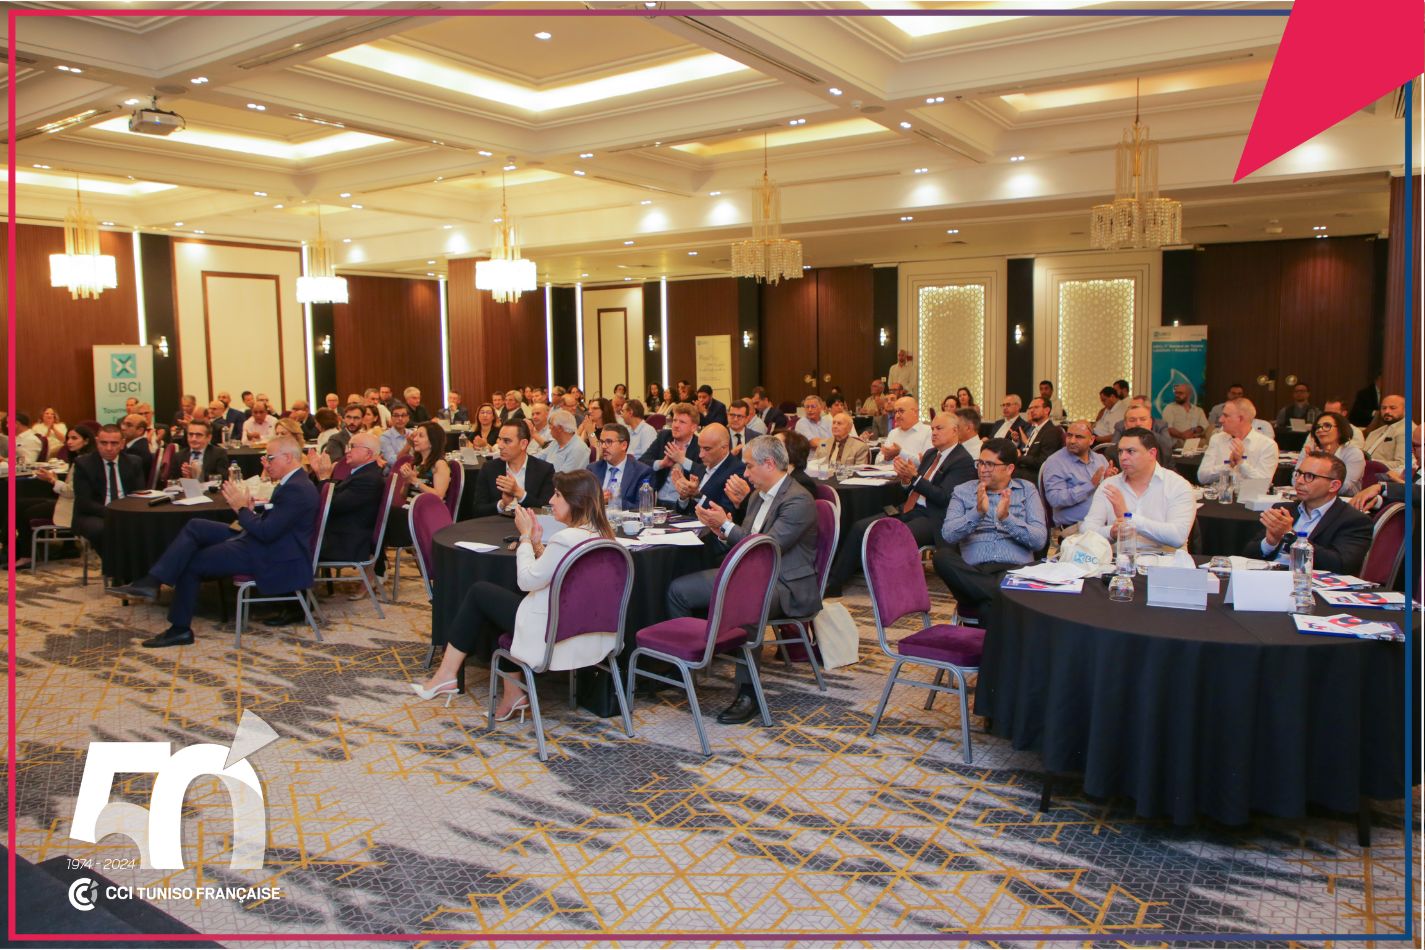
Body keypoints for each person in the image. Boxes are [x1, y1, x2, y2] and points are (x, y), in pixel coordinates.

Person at [416, 471, 617, 718]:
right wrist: (538, 544)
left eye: (557, 495)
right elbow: (561, 574)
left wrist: (524, 538)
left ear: (575, 500)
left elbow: (526, 581)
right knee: (496, 607)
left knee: (480, 593)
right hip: (592, 635)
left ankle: (447, 674)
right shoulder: (604, 536)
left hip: (553, 634)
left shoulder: (565, 538)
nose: (551, 501)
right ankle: (512, 695)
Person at [109, 435, 320, 647]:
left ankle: (179, 629)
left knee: (191, 562)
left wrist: (242, 510)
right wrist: (249, 511)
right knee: (196, 526)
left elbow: (267, 532)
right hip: (265, 542)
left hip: (272, 553)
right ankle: (153, 581)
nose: (266, 463)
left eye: (270, 458)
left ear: (288, 457)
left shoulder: (296, 488)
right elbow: (276, 523)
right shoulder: (295, 482)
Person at [672, 435, 821, 724]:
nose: (745, 473)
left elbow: (766, 548)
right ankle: (687, 670)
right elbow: (747, 544)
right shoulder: (757, 495)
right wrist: (721, 530)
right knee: (678, 590)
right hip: (748, 575)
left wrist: (727, 525)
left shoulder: (798, 500)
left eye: (750, 466)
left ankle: (748, 693)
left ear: (769, 464)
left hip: (784, 583)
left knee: (747, 604)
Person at [827, 411, 974, 596]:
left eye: (939, 428)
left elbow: (944, 498)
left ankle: (890, 593)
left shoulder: (962, 461)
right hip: (909, 508)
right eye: (932, 429)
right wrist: (906, 480)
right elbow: (911, 487)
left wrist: (915, 477)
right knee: (860, 527)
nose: (934, 433)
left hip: (934, 517)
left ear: (955, 431)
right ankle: (834, 583)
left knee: (896, 536)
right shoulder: (931, 454)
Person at [932, 439, 1047, 614]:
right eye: (980, 463)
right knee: (942, 557)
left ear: (1009, 468)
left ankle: (991, 596)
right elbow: (948, 534)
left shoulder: (1027, 490)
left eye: (990, 464)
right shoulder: (963, 491)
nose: (982, 469)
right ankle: (1005, 597)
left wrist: (1007, 519)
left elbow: (1039, 540)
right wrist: (977, 513)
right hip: (975, 571)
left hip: (1014, 571)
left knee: (985, 606)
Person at [1249, 451, 1373, 574]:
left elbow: (1341, 565)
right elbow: (1247, 555)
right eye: (1298, 474)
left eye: (1309, 476)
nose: (1299, 481)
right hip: (1268, 576)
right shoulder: (1284, 510)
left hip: (1308, 582)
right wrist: (1270, 543)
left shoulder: (1353, 520)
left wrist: (1290, 535)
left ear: (1334, 486)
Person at [1082, 427, 1196, 556]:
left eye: (1130, 451)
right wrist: (1111, 532)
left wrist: (1129, 518)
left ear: (1152, 453)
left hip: (1165, 563)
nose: (1123, 457)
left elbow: (1178, 536)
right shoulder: (1109, 485)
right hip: (1119, 562)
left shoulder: (1177, 485)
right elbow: (1086, 530)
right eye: (1120, 451)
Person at [310, 432, 386, 598]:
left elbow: (331, 506)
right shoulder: (363, 472)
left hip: (346, 541)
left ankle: (293, 594)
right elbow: (338, 491)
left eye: (352, 447)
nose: (346, 451)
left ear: (368, 453)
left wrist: (324, 478)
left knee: (292, 539)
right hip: (344, 532)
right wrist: (321, 475)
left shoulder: (368, 478)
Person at [15, 425, 95, 567]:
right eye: (68, 438)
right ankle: (23, 549)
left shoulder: (85, 462)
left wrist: (52, 480)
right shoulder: (79, 458)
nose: (69, 442)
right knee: (19, 504)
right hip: (66, 500)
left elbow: (71, 492)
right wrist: (54, 479)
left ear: (87, 441)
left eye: (74, 438)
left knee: (26, 512)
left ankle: (26, 555)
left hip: (73, 506)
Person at [71, 424, 146, 565]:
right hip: (95, 513)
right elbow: (84, 502)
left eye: (114, 443)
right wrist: (113, 512)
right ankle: (116, 568)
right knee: (103, 529)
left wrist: (126, 513)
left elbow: (139, 494)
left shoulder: (134, 462)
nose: (109, 448)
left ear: (122, 444)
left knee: (148, 526)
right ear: (97, 442)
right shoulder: (83, 464)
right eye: (104, 443)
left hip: (127, 512)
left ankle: (138, 568)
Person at [1040, 420, 1113, 536]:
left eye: (1079, 437)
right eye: (1069, 436)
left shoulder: (1100, 460)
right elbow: (1055, 499)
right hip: (1075, 528)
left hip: (1104, 524)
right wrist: (1090, 485)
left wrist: (1109, 480)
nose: (1072, 441)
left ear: (1091, 440)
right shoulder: (1055, 462)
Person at [471, 421, 556, 517]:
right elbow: (478, 510)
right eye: (499, 439)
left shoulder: (544, 470)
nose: (500, 446)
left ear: (523, 444)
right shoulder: (489, 468)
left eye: (507, 441)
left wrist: (519, 494)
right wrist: (502, 504)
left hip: (531, 523)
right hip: (497, 523)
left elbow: (547, 509)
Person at [1198, 398, 1278, 483]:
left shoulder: (1267, 445)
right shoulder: (1217, 439)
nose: (1220, 420)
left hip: (1250, 492)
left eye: (1226, 416)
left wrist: (1241, 463)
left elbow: (1263, 483)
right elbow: (1202, 477)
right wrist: (1228, 466)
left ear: (1240, 419)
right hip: (1221, 491)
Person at [671, 423, 744, 514]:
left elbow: (727, 513)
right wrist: (684, 496)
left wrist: (697, 495)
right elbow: (684, 512)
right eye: (700, 448)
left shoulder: (737, 471)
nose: (700, 455)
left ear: (724, 447)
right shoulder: (701, 468)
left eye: (707, 449)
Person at [640, 402, 702, 506]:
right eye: (674, 420)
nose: (676, 425)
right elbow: (642, 462)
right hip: (658, 502)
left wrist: (683, 460)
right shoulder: (664, 437)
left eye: (682, 422)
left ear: (693, 428)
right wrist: (662, 464)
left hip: (685, 505)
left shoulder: (700, 445)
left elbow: (705, 473)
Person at [1299, 410, 1365, 495]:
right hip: (1310, 498)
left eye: (1327, 426)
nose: (1320, 430)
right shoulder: (1309, 451)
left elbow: (1344, 487)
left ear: (1340, 430)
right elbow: (1295, 480)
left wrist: (1322, 462)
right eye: (1317, 427)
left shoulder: (1353, 454)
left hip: (1344, 500)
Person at [589, 423, 653, 510]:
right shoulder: (592, 469)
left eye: (609, 442)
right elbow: (582, 501)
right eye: (602, 442)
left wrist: (613, 500)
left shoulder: (641, 472)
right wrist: (597, 500)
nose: (603, 446)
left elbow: (642, 507)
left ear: (624, 445)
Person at [1012, 396, 1064, 480]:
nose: (1031, 411)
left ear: (1046, 410)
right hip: (1025, 468)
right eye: (1030, 408)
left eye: (1036, 407)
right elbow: (1029, 452)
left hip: (1035, 475)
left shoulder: (1051, 431)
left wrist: (1020, 457)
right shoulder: (1036, 429)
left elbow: (1044, 462)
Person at [397, 421, 451, 503]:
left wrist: (414, 480)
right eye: (415, 436)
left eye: (421, 436)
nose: (415, 439)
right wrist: (407, 480)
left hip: (427, 509)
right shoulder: (416, 462)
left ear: (432, 442)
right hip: (410, 507)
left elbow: (439, 496)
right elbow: (403, 495)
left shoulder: (439, 464)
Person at [166, 420, 230, 482]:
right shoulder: (179, 456)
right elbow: (172, 481)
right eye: (191, 434)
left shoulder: (218, 454)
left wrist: (198, 474)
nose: (193, 439)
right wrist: (186, 477)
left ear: (209, 437)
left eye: (198, 435)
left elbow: (223, 479)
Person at [1362, 394, 1410, 472]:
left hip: (1383, 475)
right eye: (1384, 408)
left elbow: (1402, 464)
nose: (1387, 411)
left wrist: (1370, 463)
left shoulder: (1408, 431)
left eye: (1392, 408)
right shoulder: (1375, 432)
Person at [879, 397, 932, 462]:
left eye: (901, 411)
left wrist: (900, 453)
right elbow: (877, 460)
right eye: (895, 412)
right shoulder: (893, 433)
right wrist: (885, 457)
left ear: (915, 412)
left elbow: (927, 462)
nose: (897, 416)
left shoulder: (928, 432)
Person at [541, 409, 592, 473]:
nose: (549, 427)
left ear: (560, 428)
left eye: (551, 424)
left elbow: (564, 476)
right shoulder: (555, 443)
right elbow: (539, 458)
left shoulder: (578, 449)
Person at [1160, 384, 1208, 450]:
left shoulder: (1198, 410)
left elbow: (1204, 426)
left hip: (1195, 439)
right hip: (1178, 441)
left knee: (1207, 443)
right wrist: (1182, 435)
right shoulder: (1169, 408)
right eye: (1176, 393)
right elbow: (1168, 428)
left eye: (1180, 393)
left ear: (1189, 395)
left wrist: (1193, 430)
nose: (1177, 395)